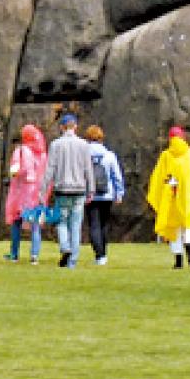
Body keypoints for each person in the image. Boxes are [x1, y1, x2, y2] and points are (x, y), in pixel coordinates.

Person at [146, 127, 190, 269]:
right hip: (188, 197)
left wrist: (165, 189)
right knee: (188, 224)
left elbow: (158, 177)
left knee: (174, 228)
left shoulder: (166, 156)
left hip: (171, 197)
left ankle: (178, 259)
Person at [41, 113, 95, 269]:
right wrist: (91, 189)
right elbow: (88, 169)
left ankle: (65, 247)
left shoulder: (56, 145)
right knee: (76, 225)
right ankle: (73, 261)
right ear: (75, 127)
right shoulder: (84, 145)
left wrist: (43, 191)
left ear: (61, 127)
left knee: (61, 221)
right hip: (79, 190)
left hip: (62, 189)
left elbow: (50, 169)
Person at [3, 124, 47, 265]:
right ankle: (34, 255)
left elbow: (14, 170)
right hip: (37, 193)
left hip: (21, 192)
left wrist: (13, 175)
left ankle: (14, 254)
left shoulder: (21, 150)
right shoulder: (43, 154)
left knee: (16, 222)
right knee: (35, 225)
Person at [84, 125, 124, 266]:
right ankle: (103, 254)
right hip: (107, 194)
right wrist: (119, 193)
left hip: (90, 194)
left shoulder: (84, 154)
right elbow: (116, 176)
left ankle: (99, 255)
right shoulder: (110, 155)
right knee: (104, 224)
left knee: (94, 225)